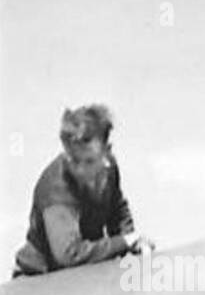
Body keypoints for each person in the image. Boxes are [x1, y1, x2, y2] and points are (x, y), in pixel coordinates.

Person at [13, 104, 148, 277]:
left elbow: (118, 210)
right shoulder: (56, 189)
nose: (81, 170)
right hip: (39, 280)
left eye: (90, 161)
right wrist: (124, 242)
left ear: (107, 152)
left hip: (83, 274)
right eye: (74, 160)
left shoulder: (108, 167)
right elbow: (69, 254)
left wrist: (133, 245)